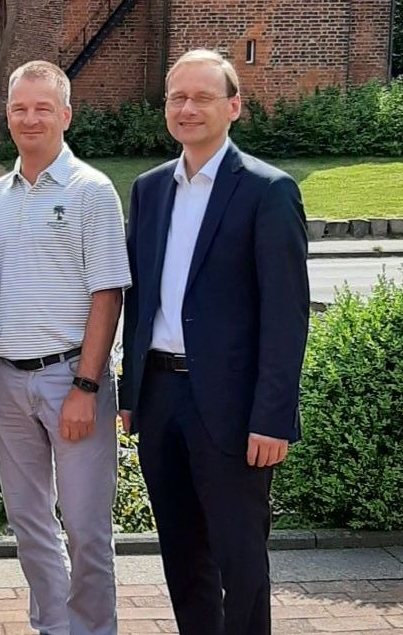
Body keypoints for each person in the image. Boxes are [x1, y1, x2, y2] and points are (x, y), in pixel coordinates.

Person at [119, 48, 310, 635]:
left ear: (234, 107)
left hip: (233, 408)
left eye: (202, 97)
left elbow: (286, 314)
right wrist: (131, 393)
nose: (187, 107)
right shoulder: (150, 190)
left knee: (240, 555)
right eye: (177, 96)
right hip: (160, 398)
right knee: (182, 551)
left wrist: (274, 417)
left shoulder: (267, 191)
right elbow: (141, 297)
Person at [0, 60, 130, 635]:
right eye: (19, 108)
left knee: (87, 527)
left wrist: (87, 386)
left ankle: (92, 630)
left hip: (71, 379)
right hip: (7, 381)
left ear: (65, 114)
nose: (30, 118)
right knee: (29, 520)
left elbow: (108, 294)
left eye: (43, 108)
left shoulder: (92, 192)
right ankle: (53, 627)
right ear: (8, 116)